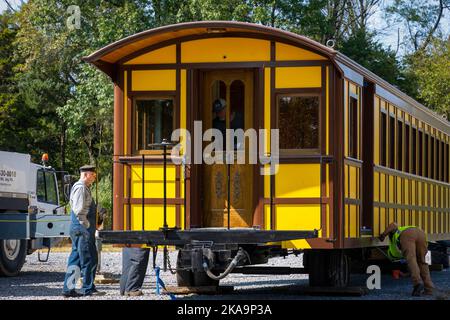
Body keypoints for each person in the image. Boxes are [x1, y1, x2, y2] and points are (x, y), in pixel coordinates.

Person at [62, 165, 105, 297]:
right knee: (89, 258)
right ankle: (88, 288)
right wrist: (86, 225)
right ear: (86, 174)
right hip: (82, 229)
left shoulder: (83, 187)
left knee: (75, 260)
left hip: (79, 229)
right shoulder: (81, 188)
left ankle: (68, 289)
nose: (94, 177)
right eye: (93, 175)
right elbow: (78, 210)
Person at [379, 222, 435, 296]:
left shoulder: (394, 249)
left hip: (407, 234)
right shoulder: (396, 241)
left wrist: (383, 235)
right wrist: (383, 235)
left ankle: (417, 283)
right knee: (422, 262)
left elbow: (393, 224)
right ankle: (429, 289)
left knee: (412, 260)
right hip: (420, 232)